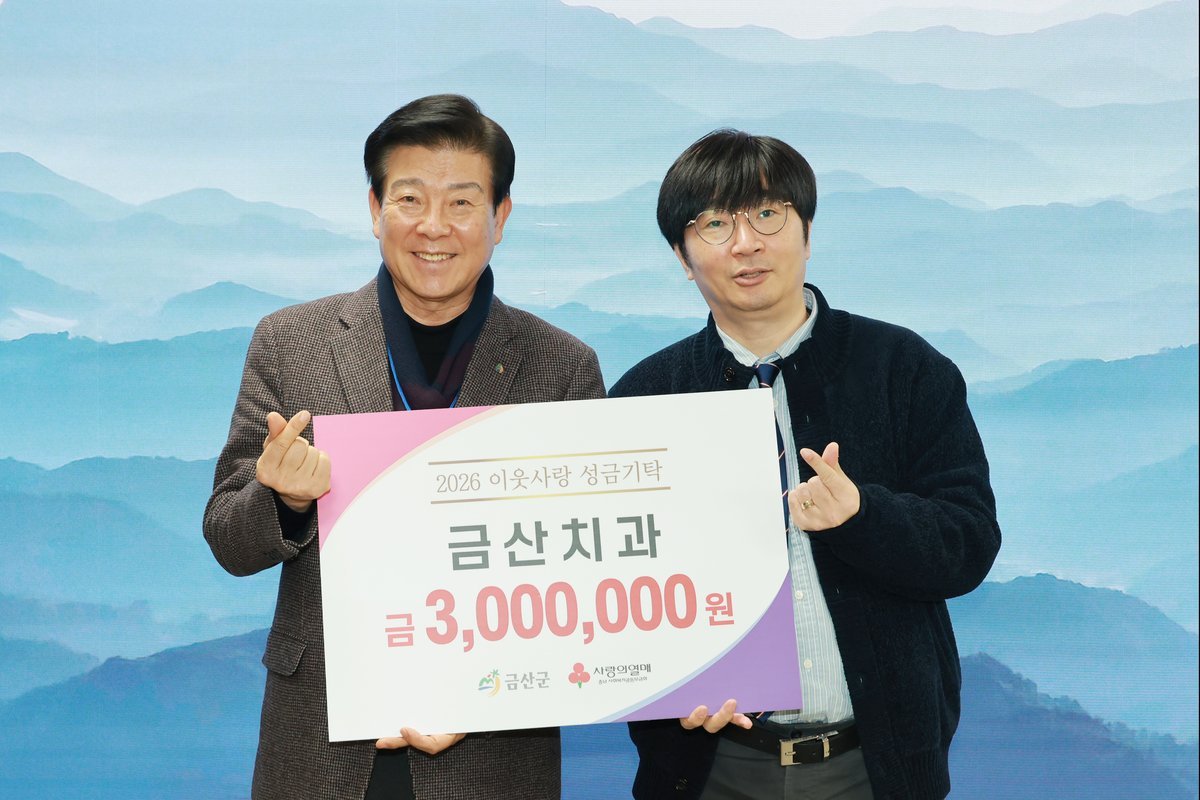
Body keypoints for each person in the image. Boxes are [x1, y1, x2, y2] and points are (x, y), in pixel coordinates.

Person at [203, 94, 604, 800]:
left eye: (462, 203)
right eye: (410, 199)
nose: (434, 227)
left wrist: (484, 699)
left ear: (501, 216)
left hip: (492, 756)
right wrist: (282, 498)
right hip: (322, 739)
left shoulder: (562, 366)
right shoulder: (290, 342)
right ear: (374, 208)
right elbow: (228, 540)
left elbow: (589, 572)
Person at [610, 130, 1000, 799]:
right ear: (682, 256)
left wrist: (864, 516)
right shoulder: (646, 398)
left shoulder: (903, 368)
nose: (745, 243)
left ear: (808, 232)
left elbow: (968, 545)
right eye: (714, 224)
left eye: (768, 214)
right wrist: (669, 688)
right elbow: (611, 588)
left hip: (874, 766)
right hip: (711, 766)